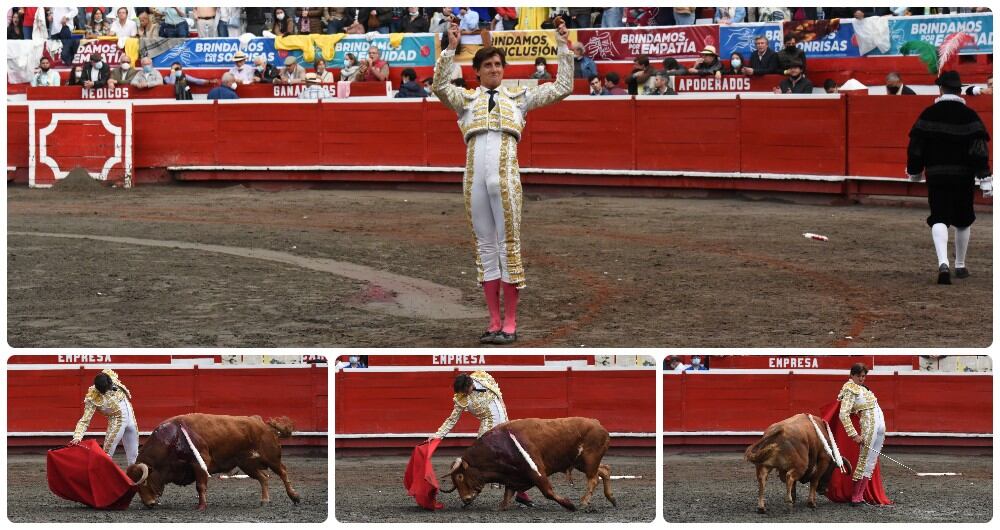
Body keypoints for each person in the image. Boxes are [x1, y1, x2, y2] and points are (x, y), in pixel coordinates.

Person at [432, 19, 573, 344]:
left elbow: (563, 87)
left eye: (498, 64)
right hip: (474, 182)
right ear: (477, 72)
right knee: (484, 248)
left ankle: (510, 322)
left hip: (506, 180)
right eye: (488, 65)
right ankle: (493, 321)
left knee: (508, 247)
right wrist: (450, 48)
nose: (494, 69)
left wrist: (563, 45)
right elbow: (439, 86)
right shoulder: (465, 101)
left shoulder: (518, 98)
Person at [906, 71, 991, 284]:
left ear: (941, 89)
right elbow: (979, 150)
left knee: (939, 217)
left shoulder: (928, 114)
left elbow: (916, 147)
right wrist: (984, 177)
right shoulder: (970, 116)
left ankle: (943, 262)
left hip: (937, 175)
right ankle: (960, 265)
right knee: (963, 220)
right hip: (963, 176)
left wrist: (915, 171)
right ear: (959, 90)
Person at [430, 371, 533, 507]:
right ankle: (469, 489)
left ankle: (520, 493)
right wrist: (438, 435)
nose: (464, 394)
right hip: (488, 433)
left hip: (506, 427)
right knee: (495, 463)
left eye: (465, 391)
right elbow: (452, 420)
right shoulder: (462, 398)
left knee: (516, 459)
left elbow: (500, 401)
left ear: (470, 384)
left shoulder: (482, 377)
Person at [822, 363, 892, 506]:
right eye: (859, 376)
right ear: (852, 375)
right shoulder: (849, 389)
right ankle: (855, 496)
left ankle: (860, 495)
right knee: (863, 461)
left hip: (879, 428)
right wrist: (854, 435)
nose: (861, 379)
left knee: (870, 462)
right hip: (869, 427)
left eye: (864, 376)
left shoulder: (864, 389)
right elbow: (843, 414)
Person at [70, 369, 139, 466]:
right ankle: (101, 475)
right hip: (116, 422)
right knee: (106, 455)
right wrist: (77, 437)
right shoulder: (93, 396)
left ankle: (134, 475)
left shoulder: (112, 377)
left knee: (134, 456)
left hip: (131, 419)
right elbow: (84, 420)